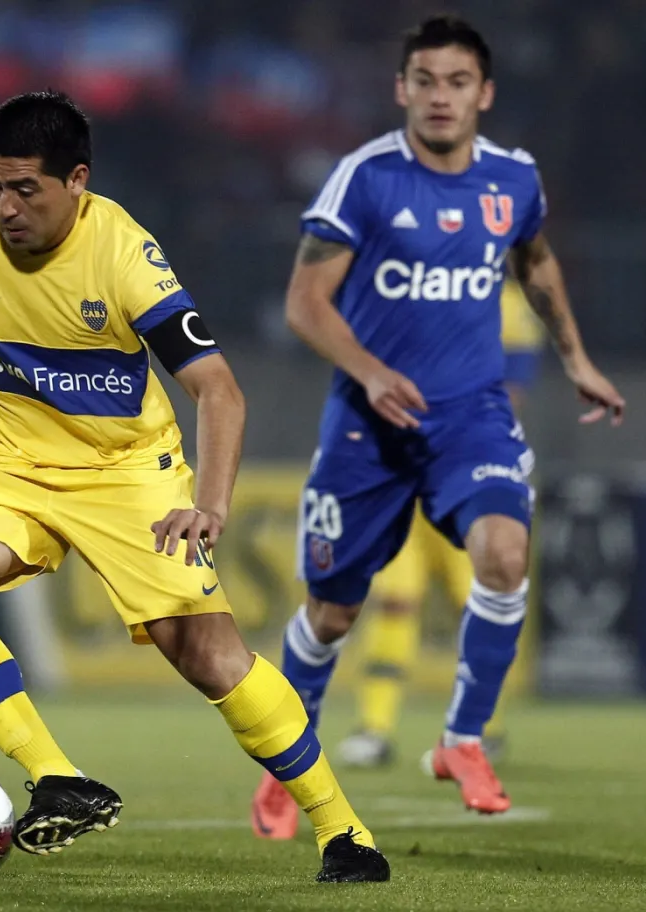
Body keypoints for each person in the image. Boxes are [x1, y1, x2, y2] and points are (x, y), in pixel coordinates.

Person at [0, 90, 389, 882]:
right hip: (2, 460)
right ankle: (58, 777)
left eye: (25, 189)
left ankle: (342, 829)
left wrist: (206, 504)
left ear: (78, 181)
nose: (4, 207)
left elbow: (219, 390)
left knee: (209, 656)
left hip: (126, 471)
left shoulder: (124, 255)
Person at [253, 16, 625, 841]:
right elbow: (303, 303)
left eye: (458, 82)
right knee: (332, 614)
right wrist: (372, 371)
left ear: (484, 93)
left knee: (503, 552)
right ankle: (290, 760)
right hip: (368, 423)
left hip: (471, 415)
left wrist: (575, 358)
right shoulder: (365, 179)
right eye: (425, 80)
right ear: (402, 90)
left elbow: (534, 258)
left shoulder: (512, 180)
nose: (441, 96)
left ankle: (461, 740)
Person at [341, 278, 543, 769]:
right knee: (394, 600)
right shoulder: (402, 287)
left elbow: (509, 396)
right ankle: (376, 728)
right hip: (404, 480)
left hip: (462, 480)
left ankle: (481, 730)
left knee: (477, 600)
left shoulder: (509, 306)